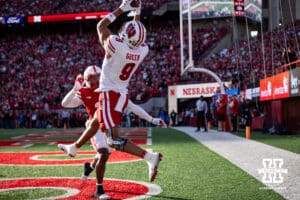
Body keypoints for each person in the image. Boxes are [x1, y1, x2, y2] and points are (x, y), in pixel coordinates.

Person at [58, 0, 165, 187]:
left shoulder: (116, 43)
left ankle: (149, 157)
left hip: (109, 93)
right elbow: (136, 31)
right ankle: (74, 147)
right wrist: (137, 10)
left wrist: (123, 8)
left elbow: (101, 25)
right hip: (122, 93)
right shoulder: (143, 50)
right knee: (96, 122)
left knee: (113, 140)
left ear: (125, 34)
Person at [61, 65, 166, 199]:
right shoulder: (86, 92)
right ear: (87, 81)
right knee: (103, 153)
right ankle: (99, 189)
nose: (97, 81)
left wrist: (152, 119)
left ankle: (88, 166)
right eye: (93, 79)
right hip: (95, 128)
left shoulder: (111, 90)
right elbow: (65, 103)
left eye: (98, 77)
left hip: (108, 125)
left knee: (107, 151)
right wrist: (74, 89)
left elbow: (133, 106)